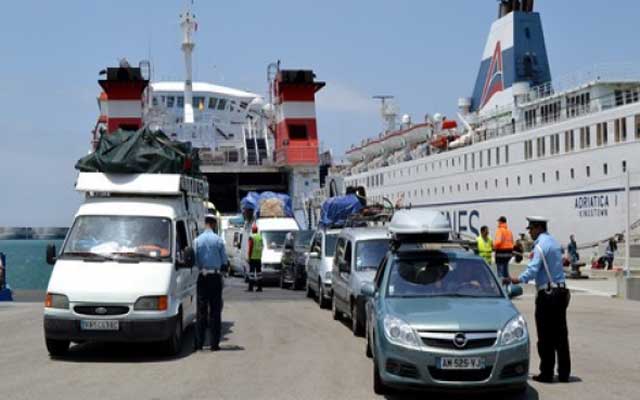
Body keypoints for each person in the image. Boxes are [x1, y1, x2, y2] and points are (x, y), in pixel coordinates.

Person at [503, 216, 570, 383]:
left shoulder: (540, 246)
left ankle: (546, 373)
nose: (530, 233)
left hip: (547, 294)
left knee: (545, 335)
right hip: (561, 292)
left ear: (538, 228)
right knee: (561, 335)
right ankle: (564, 373)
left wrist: (518, 279)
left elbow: (533, 269)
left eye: (531, 229)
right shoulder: (554, 242)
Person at [194, 215, 228, 351]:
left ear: (205, 224)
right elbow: (224, 261)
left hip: (202, 277)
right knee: (215, 311)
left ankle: (199, 344)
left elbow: (194, 260)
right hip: (215, 277)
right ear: (213, 224)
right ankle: (214, 344)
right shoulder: (218, 240)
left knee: (201, 312)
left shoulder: (197, 240)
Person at [247, 224, 263, 292]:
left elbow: (250, 247)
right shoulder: (260, 237)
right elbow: (262, 246)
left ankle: (251, 287)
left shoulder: (251, 237)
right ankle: (259, 287)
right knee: (259, 273)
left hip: (252, 257)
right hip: (258, 258)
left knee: (251, 273)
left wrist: (249, 256)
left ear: (252, 230)